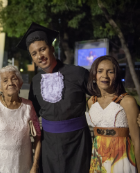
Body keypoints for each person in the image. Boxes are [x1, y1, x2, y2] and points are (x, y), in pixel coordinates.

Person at [17, 22, 92, 173]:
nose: (40, 56)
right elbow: (32, 112)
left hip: (78, 142)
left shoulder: (78, 73)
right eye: (34, 53)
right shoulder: (36, 81)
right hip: (49, 144)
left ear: (51, 48)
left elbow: (105, 94)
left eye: (42, 49)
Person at [0, 65, 41, 173]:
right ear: (0, 87)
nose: (10, 83)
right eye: (5, 80)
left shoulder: (28, 106)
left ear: (20, 84)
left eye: (14, 78)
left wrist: (35, 166)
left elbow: (38, 137)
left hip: (24, 167)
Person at [87, 55, 140, 173]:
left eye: (110, 72)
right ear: (93, 75)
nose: (105, 76)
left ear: (116, 75)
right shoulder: (91, 102)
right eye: (100, 71)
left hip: (122, 158)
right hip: (98, 157)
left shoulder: (127, 101)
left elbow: (137, 141)